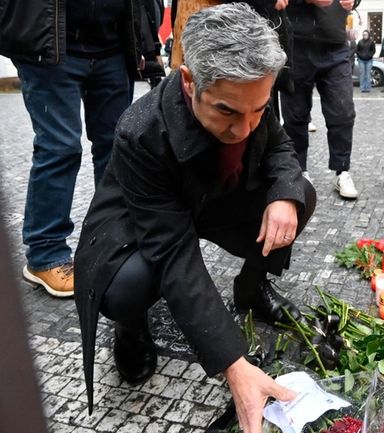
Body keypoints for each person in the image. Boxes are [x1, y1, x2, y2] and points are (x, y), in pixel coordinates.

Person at [73, 4, 315, 430]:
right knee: (125, 286)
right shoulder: (139, 130)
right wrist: (235, 365)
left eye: (257, 110)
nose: (245, 127)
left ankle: (252, 287)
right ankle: (131, 327)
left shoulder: (250, 94)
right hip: (140, 219)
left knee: (299, 196)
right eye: (227, 111)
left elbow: (277, 147)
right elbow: (172, 251)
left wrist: (284, 196)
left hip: (211, 197)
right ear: (189, 81)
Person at [0, 0, 160, 298]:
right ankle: (46, 255)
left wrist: (147, 41)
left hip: (113, 44)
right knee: (59, 149)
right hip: (50, 45)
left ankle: (111, 242)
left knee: (116, 149)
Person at [282, 0, 360, 199]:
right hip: (296, 42)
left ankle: (342, 171)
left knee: (343, 112)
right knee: (295, 114)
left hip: (335, 44)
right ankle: (299, 171)